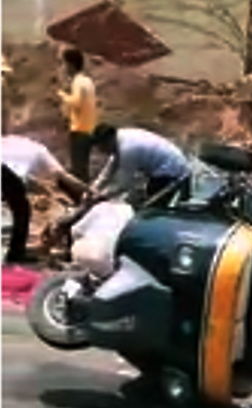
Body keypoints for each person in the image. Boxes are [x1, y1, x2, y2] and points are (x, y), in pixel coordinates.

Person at [1, 135, 88, 263]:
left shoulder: (24, 147)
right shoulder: (43, 155)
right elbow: (64, 177)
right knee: (21, 209)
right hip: (5, 169)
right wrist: (89, 191)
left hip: (6, 167)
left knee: (20, 205)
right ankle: (16, 254)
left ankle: (16, 253)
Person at [90, 124, 191, 207]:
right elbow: (111, 166)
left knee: (153, 207)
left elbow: (123, 183)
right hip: (169, 162)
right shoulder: (120, 136)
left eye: (103, 148)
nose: (103, 151)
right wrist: (95, 186)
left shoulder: (128, 149)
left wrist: (102, 195)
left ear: (108, 141)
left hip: (171, 169)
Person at [57, 48, 97, 183]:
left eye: (64, 63)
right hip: (88, 128)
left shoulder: (78, 82)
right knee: (83, 167)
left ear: (71, 65)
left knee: (78, 169)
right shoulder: (88, 81)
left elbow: (77, 102)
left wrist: (62, 96)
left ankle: (82, 193)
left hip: (79, 129)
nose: (63, 68)